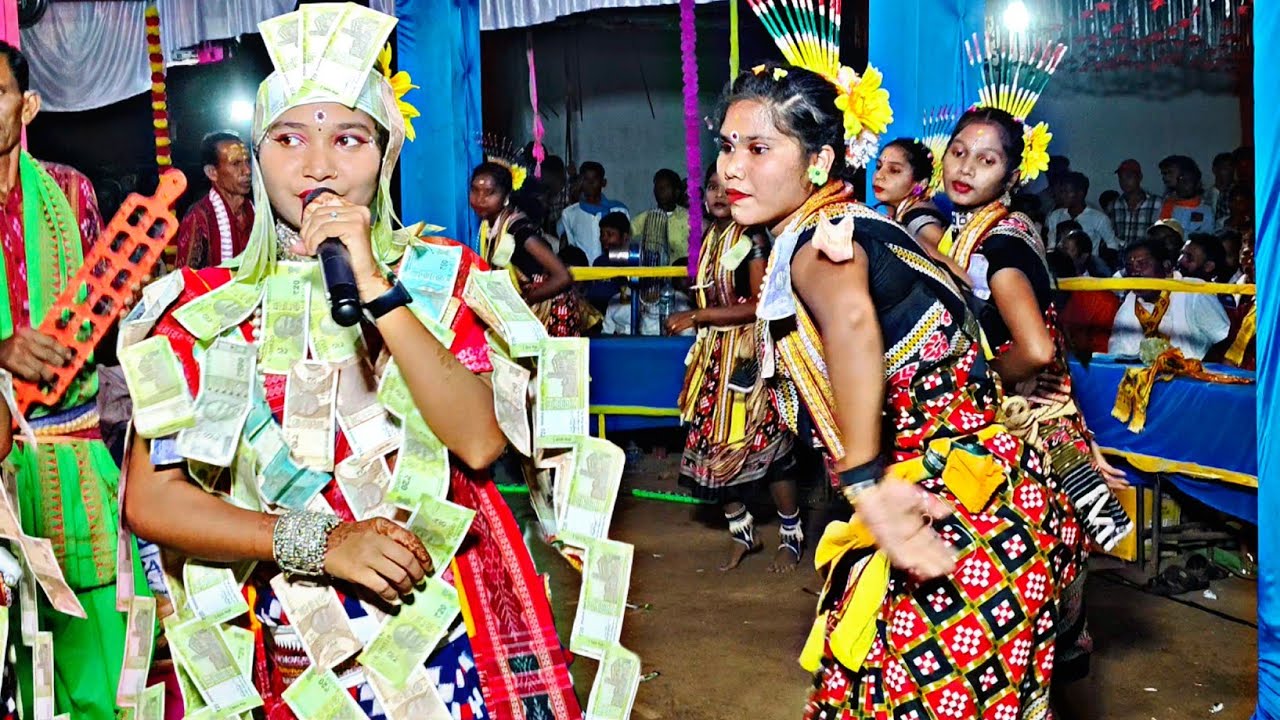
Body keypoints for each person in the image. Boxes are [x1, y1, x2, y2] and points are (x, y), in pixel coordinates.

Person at [120, 8, 589, 717]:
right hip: (294, 646)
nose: (318, 166)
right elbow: (152, 500)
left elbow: (480, 439)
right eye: (288, 139)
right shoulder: (199, 310)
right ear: (256, 156)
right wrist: (319, 542)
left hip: (447, 639)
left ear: (385, 156)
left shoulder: (444, 277)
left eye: (347, 138)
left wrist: (379, 288)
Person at [720, 12, 1084, 712]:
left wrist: (862, 479)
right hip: (995, 503)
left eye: (760, 148)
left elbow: (854, 321)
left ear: (819, 163)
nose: (733, 166)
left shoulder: (822, 242)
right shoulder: (861, 225)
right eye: (728, 146)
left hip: (953, 515)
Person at [939, 106, 1133, 687]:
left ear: (1012, 175)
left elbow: (1036, 348)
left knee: (1019, 578)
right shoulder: (978, 229)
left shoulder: (1001, 243)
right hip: (1036, 422)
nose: (966, 167)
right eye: (958, 151)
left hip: (1026, 427)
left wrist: (984, 376)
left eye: (987, 159)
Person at [0, 39, 154, 719]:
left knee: (97, 647)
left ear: (26, 105)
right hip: (2, 456)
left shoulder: (69, 192)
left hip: (73, 444)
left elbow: (104, 316)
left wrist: (132, 305)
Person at [667, 163, 799, 571]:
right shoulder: (711, 237)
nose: (720, 195)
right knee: (710, 444)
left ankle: (791, 536)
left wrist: (698, 317)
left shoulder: (753, 236)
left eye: (728, 188)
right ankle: (743, 534)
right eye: (712, 187)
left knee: (767, 449)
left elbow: (760, 307)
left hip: (747, 357)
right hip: (713, 358)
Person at [469, 160, 595, 336]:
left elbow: (562, 276)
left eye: (489, 193)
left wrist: (526, 300)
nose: (480, 199)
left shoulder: (518, 230)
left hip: (551, 314)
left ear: (505, 197)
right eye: (475, 191)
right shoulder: (487, 226)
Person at [1109, 237, 1230, 360]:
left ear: (1166, 266)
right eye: (1129, 266)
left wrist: (1199, 370)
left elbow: (1225, 340)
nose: (1135, 272)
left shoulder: (1194, 292)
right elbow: (1118, 356)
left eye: (1142, 264)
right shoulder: (1127, 307)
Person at [171, 130, 254, 270]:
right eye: (236, 163)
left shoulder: (257, 209)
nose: (247, 170)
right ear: (212, 173)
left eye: (247, 161)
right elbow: (186, 280)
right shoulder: (199, 217)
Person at [871, 138, 948, 253]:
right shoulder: (903, 212)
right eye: (878, 166)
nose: (879, 175)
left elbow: (936, 246)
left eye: (894, 170)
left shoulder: (919, 220)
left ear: (921, 184)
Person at [557, 160, 627, 262]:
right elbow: (572, 246)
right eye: (585, 179)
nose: (590, 183)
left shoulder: (619, 210)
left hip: (613, 270)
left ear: (603, 182)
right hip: (585, 273)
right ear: (580, 182)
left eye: (595, 178)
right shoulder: (569, 214)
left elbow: (625, 245)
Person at [1208, 229, 1256, 370]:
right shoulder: (1223, 290)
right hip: (1221, 371)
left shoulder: (1271, 302)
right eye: (1246, 249)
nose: (1251, 260)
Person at [1045, 171, 1119, 253]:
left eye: (1066, 192)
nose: (1062, 196)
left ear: (1080, 194)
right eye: (1061, 192)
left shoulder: (1099, 218)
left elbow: (1112, 244)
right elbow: (1051, 244)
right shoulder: (1055, 215)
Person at [631, 168, 691, 264]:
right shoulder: (645, 219)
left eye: (665, 187)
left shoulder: (690, 218)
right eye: (658, 187)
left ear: (676, 191)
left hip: (680, 275)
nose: (660, 191)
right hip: (653, 275)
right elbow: (627, 237)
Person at [1110, 158, 1162, 249]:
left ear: (1140, 177)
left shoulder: (1156, 204)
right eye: (1121, 178)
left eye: (1129, 177)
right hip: (1121, 256)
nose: (1124, 182)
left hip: (1146, 257)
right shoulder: (1115, 205)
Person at [1159, 156, 1215, 235]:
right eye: (1164, 173)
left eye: (1170, 172)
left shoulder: (1205, 206)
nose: (1165, 177)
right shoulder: (1166, 204)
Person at [1208, 151, 1234, 226]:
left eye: (1231, 168)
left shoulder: (1236, 193)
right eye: (1225, 168)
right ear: (1215, 170)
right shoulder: (1207, 194)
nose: (1229, 172)